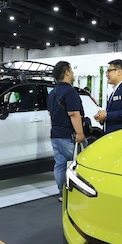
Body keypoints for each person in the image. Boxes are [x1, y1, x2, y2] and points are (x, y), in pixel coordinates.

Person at [47, 61, 86, 201]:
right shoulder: (70, 91)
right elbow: (74, 114)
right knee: (82, 162)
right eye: (71, 70)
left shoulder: (52, 93)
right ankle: (79, 193)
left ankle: (62, 193)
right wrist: (80, 133)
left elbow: (50, 114)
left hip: (55, 134)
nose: (73, 73)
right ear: (67, 72)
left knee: (59, 165)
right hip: (69, 135)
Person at [94, 59, 122, 133]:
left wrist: (106, 115)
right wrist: (102, 117)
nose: (106, 74)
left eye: (109, 71)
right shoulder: (116, 90)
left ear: (119, 72)